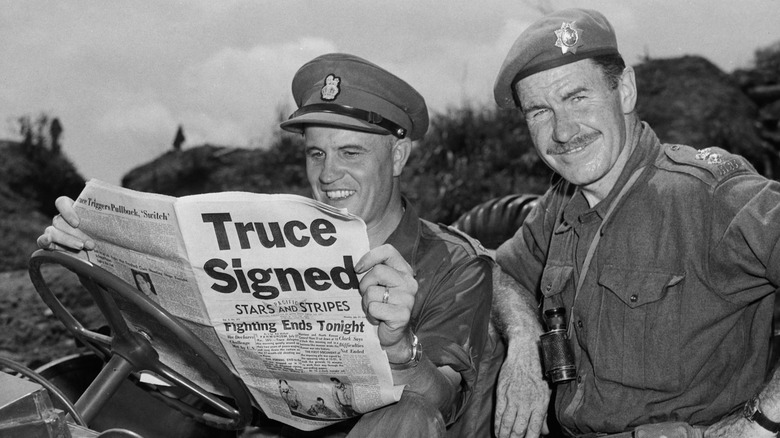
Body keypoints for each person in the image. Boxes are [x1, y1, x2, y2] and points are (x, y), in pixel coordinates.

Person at [37, 53, 494, 438]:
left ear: (397, 156)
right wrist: (98, 256)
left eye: (350, 153)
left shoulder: (454, 264)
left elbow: (441, 398)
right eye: (317, 154)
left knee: (409, 412)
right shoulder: (259, 244)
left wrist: (398, 349)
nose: (329, 174)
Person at [491, 7, 780, 438]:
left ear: (624, 90)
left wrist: (761, 421)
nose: (564, 132)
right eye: (539, 112)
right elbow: (501, 272)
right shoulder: (561, 204)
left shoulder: (708, 195)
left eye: (577, 97)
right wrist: (523, 341)